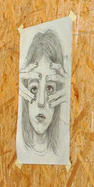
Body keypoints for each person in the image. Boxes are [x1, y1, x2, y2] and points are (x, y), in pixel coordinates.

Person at [18, 28, 70, 163]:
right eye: (34, 88)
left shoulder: (63, 143)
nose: (41, 102)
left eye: (50, 88)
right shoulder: (19, 142)